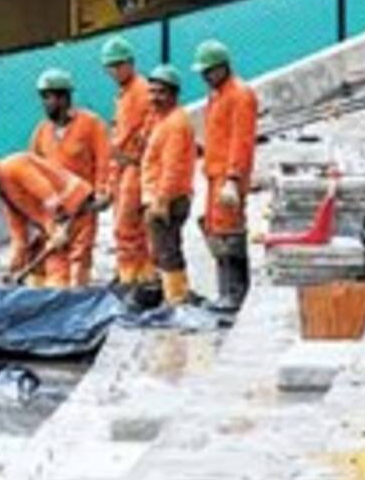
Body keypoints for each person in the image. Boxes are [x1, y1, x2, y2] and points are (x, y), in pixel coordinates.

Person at [0, 144, 95, 288]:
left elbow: (50, 198)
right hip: (56, 222)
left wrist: (57, 229)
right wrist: (14, 268)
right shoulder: (3, 189)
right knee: (37, 263)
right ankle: (51, 297)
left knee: (70, 265)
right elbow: (19, 234)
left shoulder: (14, 167)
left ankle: (73, 297)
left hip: (76, 210)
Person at [193, 39, 258, 314]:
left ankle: (235, 293)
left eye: (209, 71)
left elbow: (241, 140)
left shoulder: (240, 95)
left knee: (229, 233)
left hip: (227, 176)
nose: (205, 77)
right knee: (216, 231)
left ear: (222, 68)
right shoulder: (217, 95)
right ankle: (226, 292)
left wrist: (233, 178)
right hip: (215, 175)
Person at [29, 68, 111, 286]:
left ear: (64, 98)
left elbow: (104, 160)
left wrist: (103, 191)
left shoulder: (91, 124)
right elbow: (32, 169)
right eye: (44, 98)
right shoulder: (41, 132)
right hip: (54, 209)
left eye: (50, 97)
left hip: (83, 207)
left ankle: (78, 298)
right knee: (54, 256)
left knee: (80, 258)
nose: (46, 103)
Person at [100, 35, 156, 288]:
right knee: (132, 227)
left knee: (127, 226)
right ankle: (141, 276)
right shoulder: (126, 94)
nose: (113, 71)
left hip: (134, 165)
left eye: (118, 65)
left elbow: (130, 134)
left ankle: (132, 278)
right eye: (110, 67)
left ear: (129, 63)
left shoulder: (139, 92)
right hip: (127, 167)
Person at [141, 65, 196, 306]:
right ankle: (174, 294)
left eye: (160, 92)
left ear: (173, 94)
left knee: (167, 250)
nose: (154, 97)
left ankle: (177, 299)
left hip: (168, 200)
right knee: (165, 248)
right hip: (163, 197)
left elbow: (172, 167)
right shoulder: (166, 121)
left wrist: (161, 200)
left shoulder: (175, 124)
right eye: (151, 91)